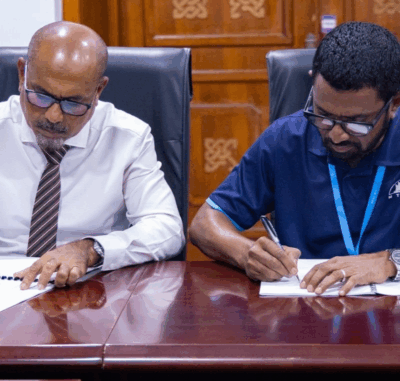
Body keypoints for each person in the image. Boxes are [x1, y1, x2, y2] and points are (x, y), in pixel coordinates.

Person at [189, 21, 400, 296]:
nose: (336, 135)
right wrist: (247, 252)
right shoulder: (286, 139)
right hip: (307, 304)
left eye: (356, 123)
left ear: (394, 104)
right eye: (323, 115)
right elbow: (204, 224)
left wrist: (390, 261)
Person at [0, 21, 184, 289]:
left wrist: (91, 249)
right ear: (22, 75)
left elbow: (167, 228)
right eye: (40, 97)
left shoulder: (127, 138)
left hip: (87, 290)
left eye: (73, 103)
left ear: (98, 91)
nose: (54, 116)